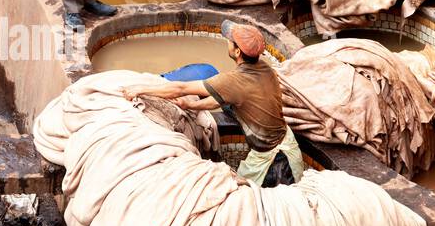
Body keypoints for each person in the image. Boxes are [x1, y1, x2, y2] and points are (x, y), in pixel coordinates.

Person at [123, 21, 304, 186]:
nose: (227, 42)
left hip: (275, 165)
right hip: (287, 144)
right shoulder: (265, 69)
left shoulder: (234, 81)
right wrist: (191, 106)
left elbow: (180, 88)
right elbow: (222, 98)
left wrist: (139, 89)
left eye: (230, 40)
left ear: (237, 51)